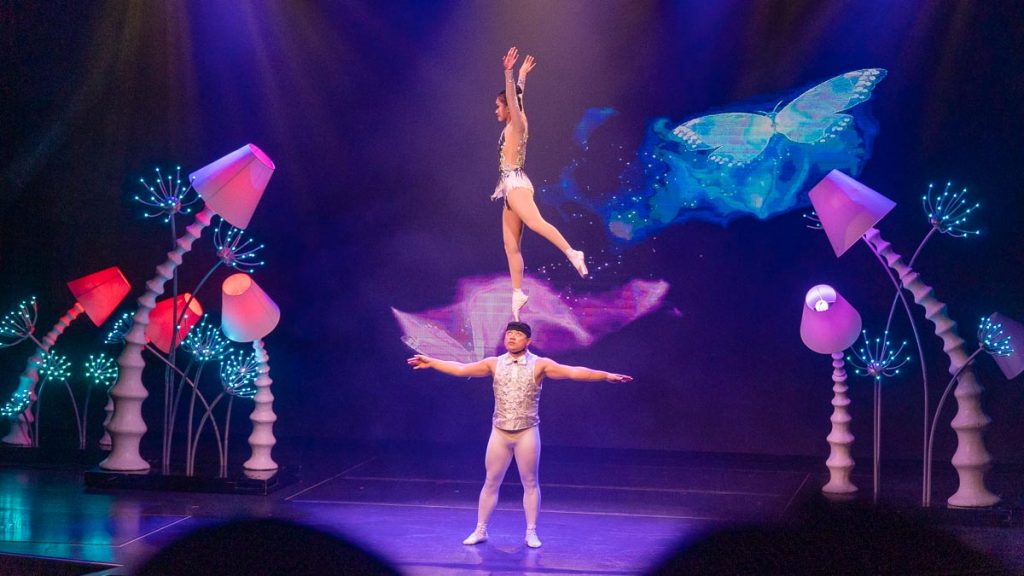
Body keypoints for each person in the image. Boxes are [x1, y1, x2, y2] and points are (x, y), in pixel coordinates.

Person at [407, 321, 632, 548]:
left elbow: (573, 372)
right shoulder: (493, 364)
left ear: (528, 341)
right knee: (491, 482)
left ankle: (531, 532)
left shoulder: (540, 365)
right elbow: (461, 369)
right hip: (499, 433)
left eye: (517, 334)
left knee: (530, 482)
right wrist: (432, 362)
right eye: (509, 334)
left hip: (527, 433)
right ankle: (480, 529)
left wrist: (605, 375)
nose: (511, 337)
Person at [494, 47, 589, 321]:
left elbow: (514, 100)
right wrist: (522, 76)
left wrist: (509, 73)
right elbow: (518, 99)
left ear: (508, 108)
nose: (496, 110)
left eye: (498, 106)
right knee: (510, 246)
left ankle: (572, 252)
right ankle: (517, 293)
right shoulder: (515, 122)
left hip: (517, 185)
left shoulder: (518, 125)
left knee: (536, 223)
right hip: (508, 190)